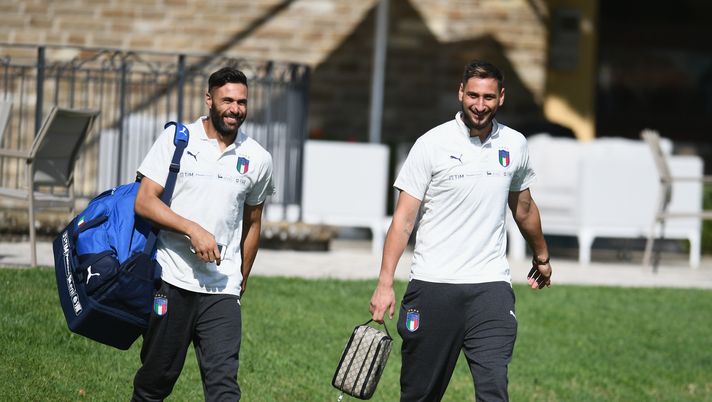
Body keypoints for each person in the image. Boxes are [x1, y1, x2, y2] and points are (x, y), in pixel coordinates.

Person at [368, 60, 552, 402]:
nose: (480, 105)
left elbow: (524, 207)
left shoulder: (514, 144)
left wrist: (541, 256)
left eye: (488, 97)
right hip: (433, 285)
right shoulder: (431, 143)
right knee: (420, 394)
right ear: (460, 93)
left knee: (494, 388)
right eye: (473, 96)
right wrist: (384, 283)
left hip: (490, 287)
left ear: (501, 97)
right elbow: (404, 220)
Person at [131, 67, 274, 401]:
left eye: (242, 102)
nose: (235, 109)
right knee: (154, 383)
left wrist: (240, 279)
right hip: (171, 279)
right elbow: (144, 201)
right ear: (209, 99)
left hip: (222, 289)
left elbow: (253, 223)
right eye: (227, 101)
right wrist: (192, 229)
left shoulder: (258, 158)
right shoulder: (177, 140)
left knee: (224, 388)